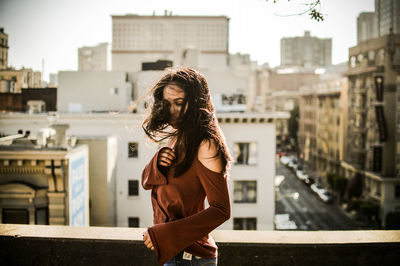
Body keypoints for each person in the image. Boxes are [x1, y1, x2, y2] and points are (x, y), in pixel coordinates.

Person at [141, 67, 232, 266]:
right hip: (176, 254)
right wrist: (157, 162)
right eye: (167, 103)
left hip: (190, 257)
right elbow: (147, 183)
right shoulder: (178, 137)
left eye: (179, 103)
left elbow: (221, 209)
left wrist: (164, 233)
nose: (171, 111)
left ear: (197, 102)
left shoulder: (206, 144)